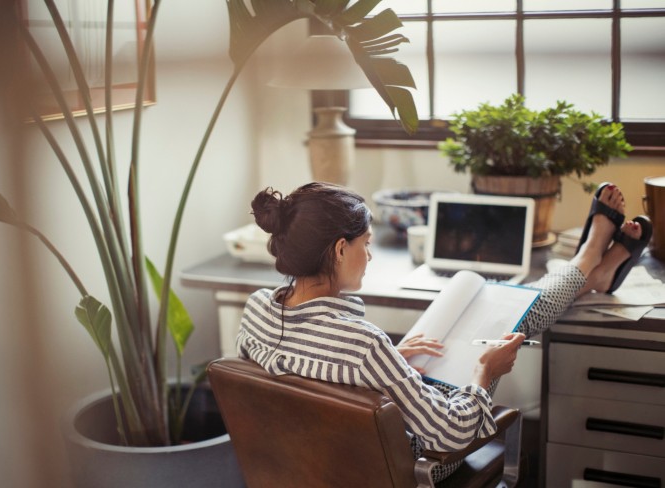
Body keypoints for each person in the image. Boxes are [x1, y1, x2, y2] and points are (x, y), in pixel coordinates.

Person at [237, 181, 646, 481]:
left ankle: (593, 272)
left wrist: (392, 362)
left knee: (489, 321)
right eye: (366, 242)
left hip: (306, 468)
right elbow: (448, 436)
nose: (371, 254)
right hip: (406, 467)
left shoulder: (256, 308)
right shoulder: (363, 346)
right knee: (514, 320)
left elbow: (305, 380)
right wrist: (485, 373)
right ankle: (591, 260)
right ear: (340, 249)